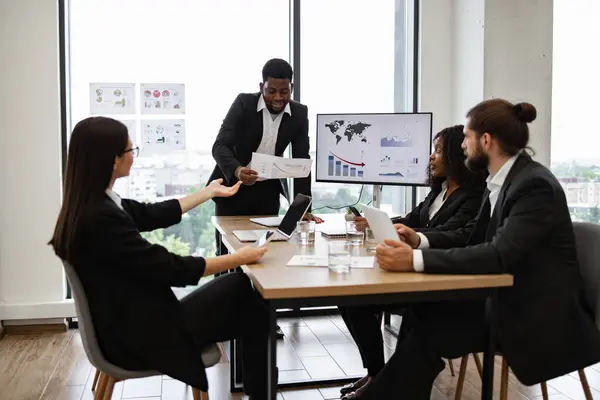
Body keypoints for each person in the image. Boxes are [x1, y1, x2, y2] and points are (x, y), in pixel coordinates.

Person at [350, 99, 600, 400]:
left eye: (467, 137)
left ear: (486, 140)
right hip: (503, 297)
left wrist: (413, 259)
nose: (463, 146)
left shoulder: (534, 186)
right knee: (422, 312)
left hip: (532, 313)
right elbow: (474, 241)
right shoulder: (502, 181)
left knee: (429, 330)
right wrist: (419, 243)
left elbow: (498, 254)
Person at [49, 117, 271, 399]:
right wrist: (239, 257)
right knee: (245, 298)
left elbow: (152, 214)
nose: (134, 156)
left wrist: (208, 192)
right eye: (130, 151)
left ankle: (259, 391)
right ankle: (261, 391)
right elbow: (170, 268)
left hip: (128, 321)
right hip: (138, 338)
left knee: (245, 300)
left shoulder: (92, 203)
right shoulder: (101, 217)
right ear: (112, 160)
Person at [339, 125, 487, 399]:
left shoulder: (473, 195)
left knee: (372, 303)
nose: (431, 157)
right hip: (420, 275)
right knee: (350, 298)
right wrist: (374, 223)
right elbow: (413, 218)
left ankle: (385, 384)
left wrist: (415, 237)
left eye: (439, 150)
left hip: (438, 282)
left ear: (456, 155)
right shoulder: (439, 191)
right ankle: (377, 374)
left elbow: (453, 234)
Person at [208, 58, 323, 338]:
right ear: (262, 86)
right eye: (272, 91)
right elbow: (220, 145)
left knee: (266, 257)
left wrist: (302, 205)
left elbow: (301, 159)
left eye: (284, 92)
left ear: (291, 88)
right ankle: (221, 319)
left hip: (268, 190)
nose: (277, 98)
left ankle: (263, 319)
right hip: (233, 186)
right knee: (229, 256)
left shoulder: (299, 112)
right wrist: (236, 169)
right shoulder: (244, 103)